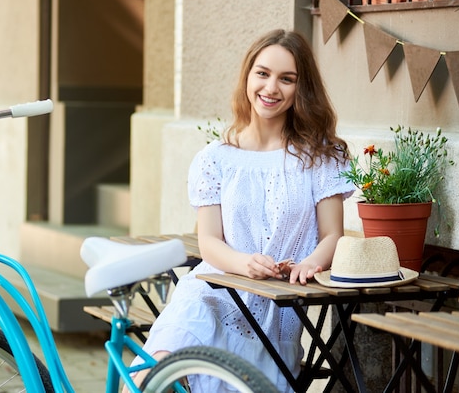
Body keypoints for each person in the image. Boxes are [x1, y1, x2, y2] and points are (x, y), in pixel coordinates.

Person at [129, 29, 355, 392]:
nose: (271, 88)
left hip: (277, 309)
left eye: (287, 79)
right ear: (247, 76)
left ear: (302, 88)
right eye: (262, 73)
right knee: (153, 370)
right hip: (214, 292)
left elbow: (332, 235)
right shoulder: (214, 159)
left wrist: (310, 263)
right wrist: (245, 263)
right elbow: (209, 241)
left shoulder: (321, 157)